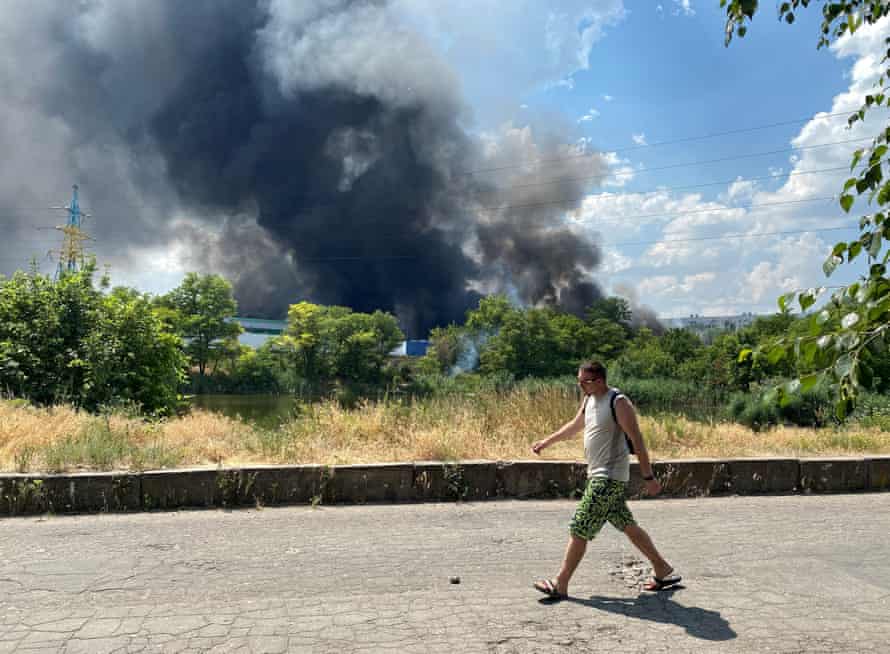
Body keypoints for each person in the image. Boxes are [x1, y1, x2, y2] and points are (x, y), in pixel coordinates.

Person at [530, 361, 680, 599]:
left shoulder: (618, 402)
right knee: (627, 525)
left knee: (580, 526)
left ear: (599, 380)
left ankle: (561, 583)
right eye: (578, 381)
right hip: (597, 475)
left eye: (584, 382)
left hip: (608, 478)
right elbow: (574, 426)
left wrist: (648, 476)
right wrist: (546, 442)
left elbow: (637, 440)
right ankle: (662, 568)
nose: (580, 385)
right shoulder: (589, 399)